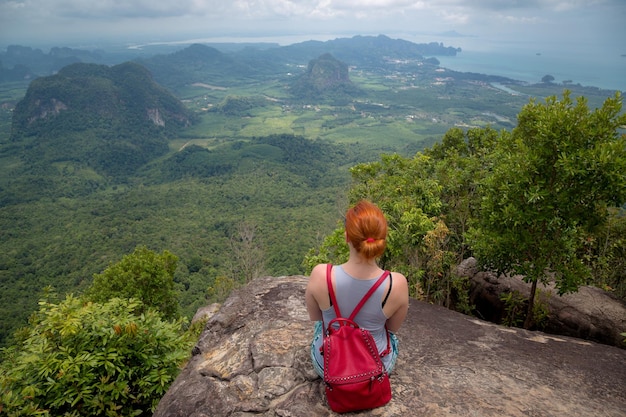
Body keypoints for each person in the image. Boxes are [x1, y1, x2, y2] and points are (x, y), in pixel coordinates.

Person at [305, 200, 409, 377]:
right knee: (389, 336)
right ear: (381, 239)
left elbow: (316, 318)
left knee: (320, 326)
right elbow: (392, 328)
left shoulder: (322, 275)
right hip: (375, 369)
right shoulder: (396, 283)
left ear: (347, 237)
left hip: (330, 367)